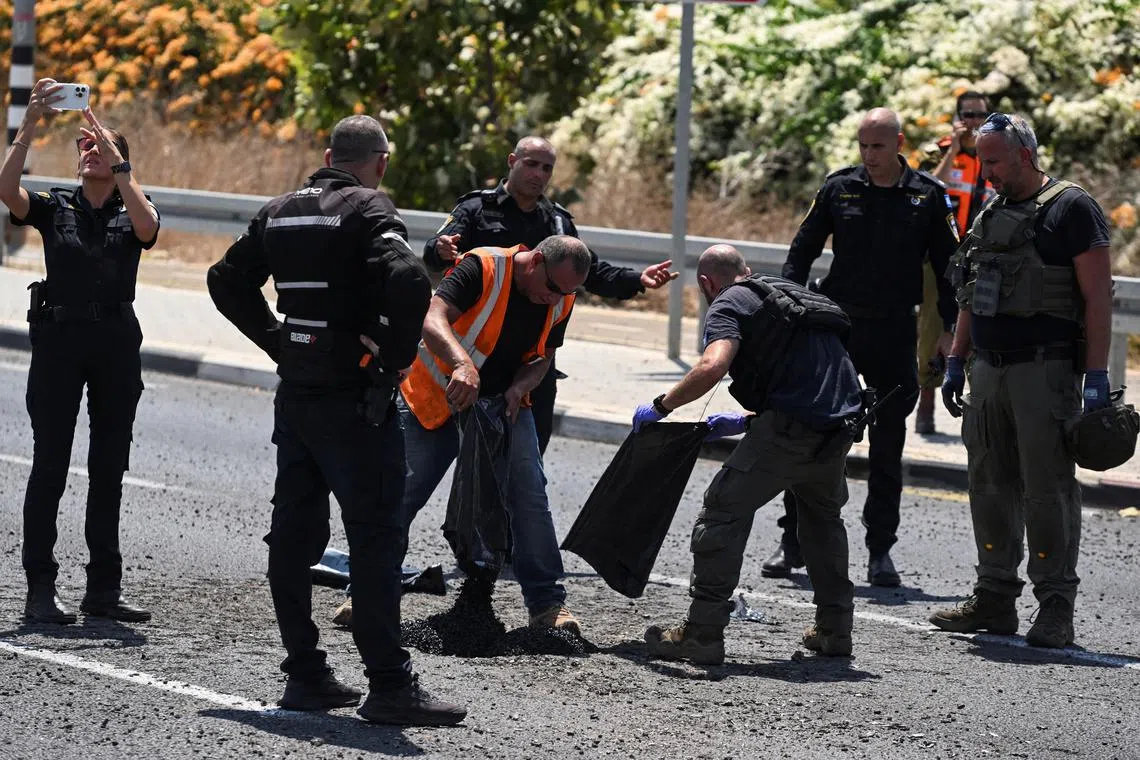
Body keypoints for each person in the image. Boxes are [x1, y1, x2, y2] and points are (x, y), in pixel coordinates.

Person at [207, 115, 465, 725]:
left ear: (327, 155)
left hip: (297, 395)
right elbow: (406, 277)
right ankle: (390, 685)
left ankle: (305, 674)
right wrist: (393, 361)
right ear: (379, 161)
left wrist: (279, 342)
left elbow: (224, 279)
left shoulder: (280, 209)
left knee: (294, 535)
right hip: (355, 399)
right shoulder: (369, 205)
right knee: (376, 536)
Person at [930, 113, 1113, 649]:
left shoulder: (1072, 208)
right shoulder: (992, 209)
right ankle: (994, 598)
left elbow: (1100, 298)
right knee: (988, 486)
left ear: (1024, 156)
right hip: (989, 370)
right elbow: (973, 293)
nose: (983, 170)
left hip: (1045, 369)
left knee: (1047, 490)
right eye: (981, 159)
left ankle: (1055, 607)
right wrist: (958, 360)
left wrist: (1098, 377)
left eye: (992, 160)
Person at [637, 245, 863, 665]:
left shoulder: (727, 302)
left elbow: (713, 365)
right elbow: (802, 371)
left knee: (722, 510)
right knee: (822, 520)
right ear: (748, 270)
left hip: (790, 430)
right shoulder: (784, 293)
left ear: (706, 284)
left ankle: (701, 634)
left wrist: (662, 406)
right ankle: (835, 630)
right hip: (837, 429)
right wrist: (745, 421)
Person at [774, 108, 961, 587]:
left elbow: (949, 270)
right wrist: (794, 310)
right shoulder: (839, 189)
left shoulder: (927, 196)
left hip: (895, 329)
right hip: (838, 326)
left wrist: (950, 329)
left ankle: (881, 551)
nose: (869, 155)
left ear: (898, 143)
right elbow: (801, 252)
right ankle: (791, 541)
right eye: (863, 146)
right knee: (812, 431)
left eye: (878, 146)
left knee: (887, 442)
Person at [1, 79, 160, 625]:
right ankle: (39, 589)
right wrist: (28, 125)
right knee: (49, 464)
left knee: (109, 468)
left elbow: (148, 228)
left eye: (97, 143)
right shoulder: (54, 206)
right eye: (83, 145)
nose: (87, 149)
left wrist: (120, 166)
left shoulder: (132, 205)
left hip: (116, 344)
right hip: (60, 343)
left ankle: (103, 591)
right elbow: (7, 191)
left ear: (119, 159)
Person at [424, 136, 676, 453]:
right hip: (476, 354)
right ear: (512, 161)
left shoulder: (556, 222)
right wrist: (441, 250)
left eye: (547, 168)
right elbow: (436, 253)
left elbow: (591, 271)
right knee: (443, 452)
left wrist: (637, 279)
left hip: (532, 359)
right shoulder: (477, 209)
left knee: (527, 456)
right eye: (531, 164)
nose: (539, 174)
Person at [399, 235, 590, 631]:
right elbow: (433, 320)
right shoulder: (483, 267)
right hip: (438, 396)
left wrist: (523, 386)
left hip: (502, 403)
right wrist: (462, 365)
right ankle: (368, 592)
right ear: (535, 260)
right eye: (552, 288)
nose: (555, 300)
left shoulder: (561, 296)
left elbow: (544, 356)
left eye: (566, 293)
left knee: (530, 495)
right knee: (400, 493)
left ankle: (547, 604)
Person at [914, 91, 995, 434]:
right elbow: (930, 188)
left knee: (982, 332)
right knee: (932, 330)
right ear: (957, 117)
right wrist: (953, 150)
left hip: (984, 256)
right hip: (939, 255)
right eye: (968, 115)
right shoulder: (940, 149)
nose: (974, 122)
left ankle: (981, 413)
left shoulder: (998, 154)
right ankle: (926, 407)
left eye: (980, 115)